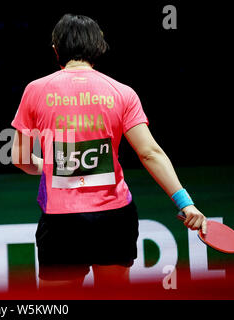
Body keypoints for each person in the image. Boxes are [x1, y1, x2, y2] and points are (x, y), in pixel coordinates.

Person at [11, 14, 206, 290]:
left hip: (61, 223)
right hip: (114, 220)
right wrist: (185, 202)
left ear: (56, 49)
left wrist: (50, 165)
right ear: (98, 47)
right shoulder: (122, 92)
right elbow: (150, 152)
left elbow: (19, 158)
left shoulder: (35, 90)